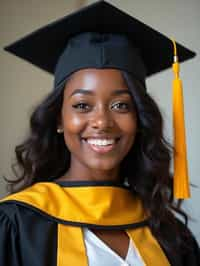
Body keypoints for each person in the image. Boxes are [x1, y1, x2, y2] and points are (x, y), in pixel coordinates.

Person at [0, 1, 199, 265]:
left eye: (121, 105)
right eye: (82, 105)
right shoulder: (15, 226)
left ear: (139, 118)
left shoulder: (171, 234)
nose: (102, 122)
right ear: (59, 118)